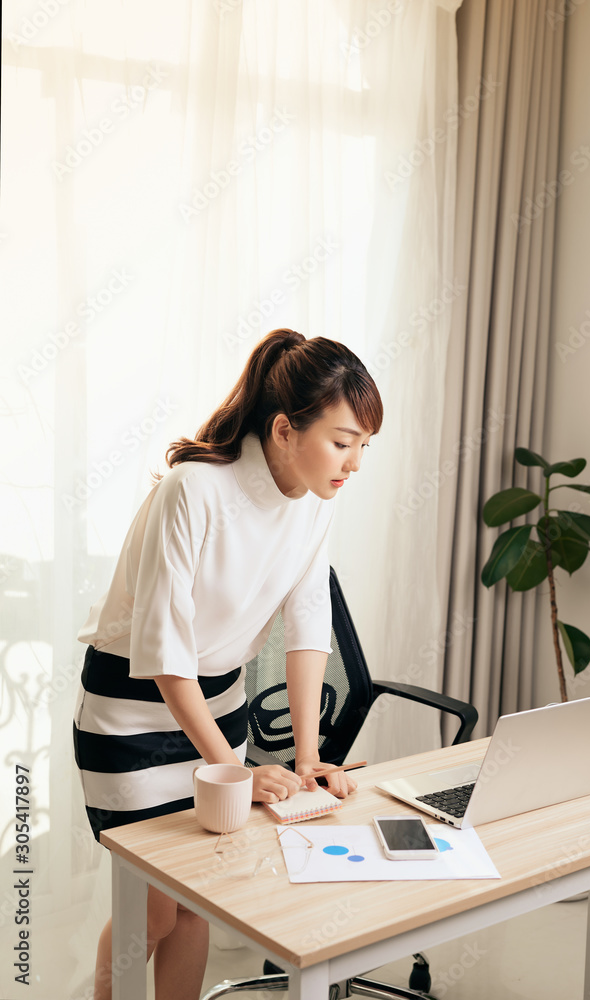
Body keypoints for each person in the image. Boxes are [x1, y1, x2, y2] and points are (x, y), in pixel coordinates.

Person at [72, 327, 383, 1000]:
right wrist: (235, 771)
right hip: (129, 714)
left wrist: (308, 758)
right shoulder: (194, 490)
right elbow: (163, 653)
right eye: (341, 441)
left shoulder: (313, 501)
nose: (352, 463)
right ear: (282, 429)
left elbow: (307, 628)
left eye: (363, 446)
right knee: (150, 907)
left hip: (216, 706)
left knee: (195, 900)